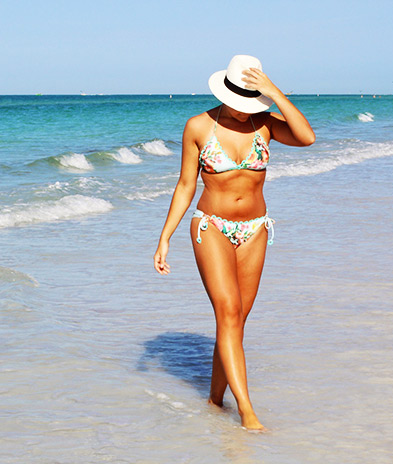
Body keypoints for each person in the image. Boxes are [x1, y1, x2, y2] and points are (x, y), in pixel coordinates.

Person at [153, 55, 315, 431]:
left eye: (251, 101)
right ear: (223, 92)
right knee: (227, 311)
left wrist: (274, 92)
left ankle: (214, 400)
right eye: (239, 101)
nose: (244, 110)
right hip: (211, 226)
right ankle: (247, 411)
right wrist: (165, 238)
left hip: (255, 229)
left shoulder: (265, 125)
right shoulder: (197, 126)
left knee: (236, 320)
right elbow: (185, 186)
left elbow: (307, 137)